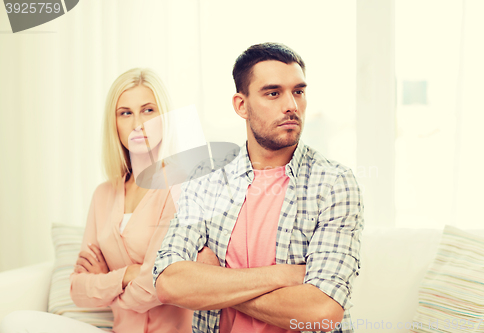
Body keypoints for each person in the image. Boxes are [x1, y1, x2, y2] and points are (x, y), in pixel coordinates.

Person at [153, 43, 364, 333]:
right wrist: (282, 276)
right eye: (273, 93)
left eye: (298, 92)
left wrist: (214, 282)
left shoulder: (333, 183)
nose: (291, 105)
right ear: (242, 105)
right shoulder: (207, 178)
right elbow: (169, 282)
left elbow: (321, 311)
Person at [0, 68, 193, 333]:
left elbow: (155, 286)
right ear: (114, 123)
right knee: (17, 322)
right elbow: (77, 290)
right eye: (125, 113)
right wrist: (127, 274)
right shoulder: (103, 194)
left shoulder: (180, 185)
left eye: (148, 110)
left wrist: (104, 281)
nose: (137, 123)